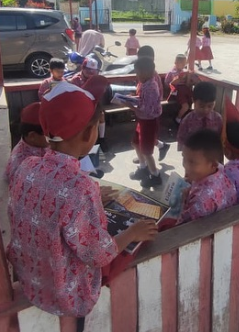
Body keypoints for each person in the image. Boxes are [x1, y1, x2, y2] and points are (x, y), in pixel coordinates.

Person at [8, 78, 158, 328]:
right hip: (65, 295)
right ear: (90, 134)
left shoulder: (27, 165)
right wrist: (133, 233)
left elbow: (52, 201)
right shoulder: (80, 187)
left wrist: (92, 197)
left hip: (30, 280)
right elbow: (97, 255)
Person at [177, 129, 236, 224]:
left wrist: (184, 201)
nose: (185, 165)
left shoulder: (199, 201)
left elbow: (181, 226)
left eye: (192, 162)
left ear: (213, 165)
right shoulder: (220, 170)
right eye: (184, 158)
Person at [125, 57, 164, 188]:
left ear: (147, 72)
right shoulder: (144, 83)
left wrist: (130, 106)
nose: (137, 76)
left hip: (149, 121)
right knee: (135, 143)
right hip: (143, 120)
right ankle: (143, 167)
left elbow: (147, 110)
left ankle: (155, 175)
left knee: (147, 151)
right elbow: (143, 100)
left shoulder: (151, 87)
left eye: (139, 73)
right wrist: (133, 98)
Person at [135, 45, 171, 160]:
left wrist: (132, 105)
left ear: (152, 59)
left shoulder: (151, 77)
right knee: (142, 136)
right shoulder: (143, 74)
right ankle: (160, 147)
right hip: (144, 110)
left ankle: (146, 161)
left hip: (150, 113)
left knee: (146, 137)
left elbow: (153, 98)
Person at [5, 102, 48, 185]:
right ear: (32, 136)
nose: (57, 135)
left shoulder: (39, 144)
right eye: (50, 134)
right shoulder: (20, 164)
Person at [70, 58, 108, 152]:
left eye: (93, 70)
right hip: (79, 106)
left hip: (93, 103)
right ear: (82, 68)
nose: (91, 72)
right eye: (88, 70)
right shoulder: (75, 80)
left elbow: (101, 92)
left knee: (101, 115)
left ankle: (101, 139)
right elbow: (74, 96)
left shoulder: (97, 78)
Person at [177, 81, 223, 151]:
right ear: (193, 101)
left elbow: (221, 139)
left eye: (210, 106)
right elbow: (181, 139)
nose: (206, 110)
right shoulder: (187, 120)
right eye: (201, 106)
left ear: (215, 102)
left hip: (212, 154)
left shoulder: (218, 119)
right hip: (193, 154)